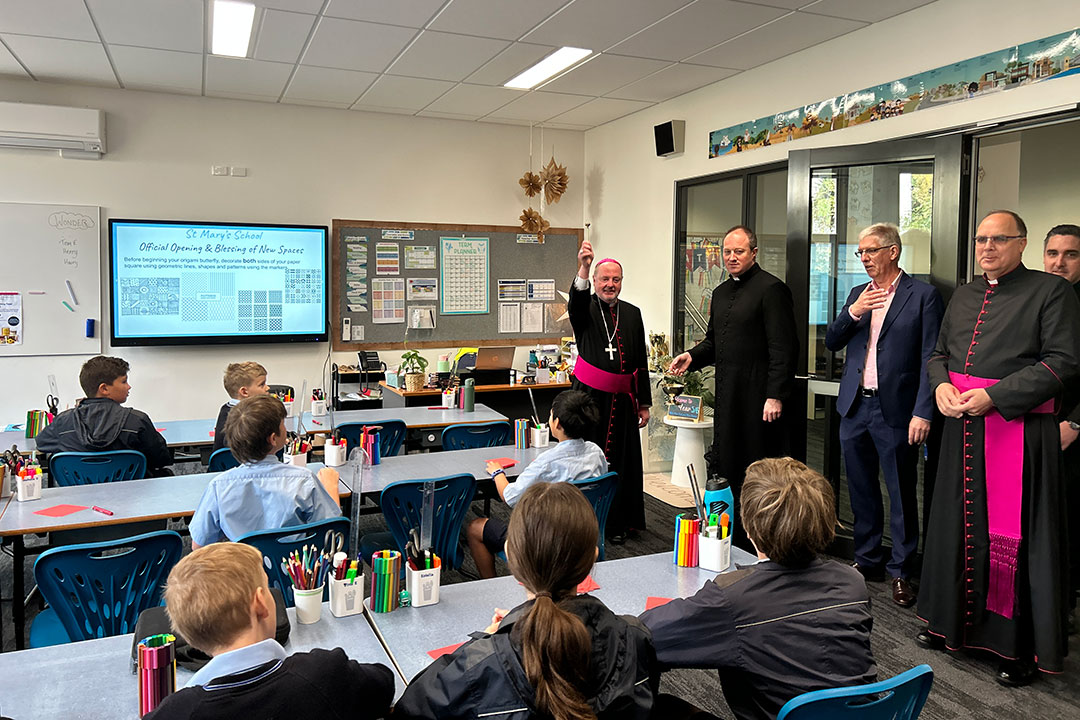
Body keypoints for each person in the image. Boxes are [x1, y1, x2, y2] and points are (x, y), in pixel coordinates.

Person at [917, 210, 1080, 686]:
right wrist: (942, 386)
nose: (987, 247)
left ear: (1022, 243)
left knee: (1016, 539)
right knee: (953, 527)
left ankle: (1016, 649)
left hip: (1019, 433)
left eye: (999, 239)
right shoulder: (966, 295)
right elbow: (938, 355)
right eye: (981, 240)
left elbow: (1064, 362)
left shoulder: (1052, 292)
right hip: (963, 429)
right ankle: (948, 625)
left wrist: (997, 396)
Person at [393, 482, 659, 720]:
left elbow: (408, 708)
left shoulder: (479, 664)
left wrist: (483, 641)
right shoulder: (635, 637)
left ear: (511, 556)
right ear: (593, 557)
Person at [640, 457, 876, 720]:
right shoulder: (853, 584)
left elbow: (644, 634)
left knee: (663, 709)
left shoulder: (732, 600)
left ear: (749, 527)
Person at [825, 223, 944, 606]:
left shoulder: (923, 296)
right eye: (860, 253)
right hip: (855, 405)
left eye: (870, 251)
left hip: (897, 410)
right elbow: (832, 340)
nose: (864, 259)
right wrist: (853, 313)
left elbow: (932, 357)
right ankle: (868, 559)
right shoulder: (858, 294)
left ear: (893, 251)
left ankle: (901, 570)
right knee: (860, 488)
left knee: (900, 491)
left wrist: (923, 411)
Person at [144, 542, 394, 720]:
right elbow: (383, 685)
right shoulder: (324, 673)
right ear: (261, 603)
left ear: (188, 634)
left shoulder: (175, 711)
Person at [668, 226, 798, 548]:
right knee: (727, 466)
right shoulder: (721, 293)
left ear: (753, 253)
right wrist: (691, 356)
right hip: (729, 398)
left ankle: (765, 540)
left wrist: (775, 396)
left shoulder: (772, 290)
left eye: (738, 251)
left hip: (758, 400)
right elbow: (715, 342)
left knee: (757, 470)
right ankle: (731, 538)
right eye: (727, 252)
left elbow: (784, 348)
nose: (731, 257)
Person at [466, 389, 608, 578]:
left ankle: (490, 584)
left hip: (545, 547)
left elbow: (510, 497)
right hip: (585, 539)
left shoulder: (547, 461)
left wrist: (497, 472)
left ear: (556, 423)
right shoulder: (596, 452)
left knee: (476, 527)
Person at [569, 239, 651, 544]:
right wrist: (584, 266)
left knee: (624, 463)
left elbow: (640, 360)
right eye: (604, 279)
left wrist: (644, 403)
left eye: (616, 279)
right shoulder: (585, 309)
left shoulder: (633, 313)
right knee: (589, 461)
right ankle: (585, 524)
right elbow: (575, 300)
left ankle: (620, 523)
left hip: (625, 400)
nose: (610, 285)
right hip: (590, 400)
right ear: (595, 281)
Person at [190, 395, 340, 549]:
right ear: (273, 439)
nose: (286, 429)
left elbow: (198, 546)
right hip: (293, 569)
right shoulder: (304, 480)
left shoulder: (218, 487)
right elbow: (333, 534)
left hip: (243, 569)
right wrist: (331, 487)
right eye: (283, 425)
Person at [35, 355, 173, 476]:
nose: (129, 387)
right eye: (124, 381)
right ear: (104, 389)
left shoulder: (64, 421)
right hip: (133, 496)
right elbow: (162, 458)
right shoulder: (137, 420)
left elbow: (42, 444)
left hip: (79, 497)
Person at [1043, 223, 1080, 629]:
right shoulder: (1039, 296)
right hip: (1034, 425)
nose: (1059, 262)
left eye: (1070, 254)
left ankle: (1064, 606)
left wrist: (1075, 423)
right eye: (1053, 253)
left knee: (1068, 521)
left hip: (1071, 428)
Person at [213, 361, 269, 452]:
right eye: (262, 384)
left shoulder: (225, 409)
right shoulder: (252, 416)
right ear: (244, 392)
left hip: (223, 465)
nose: (267, 388)